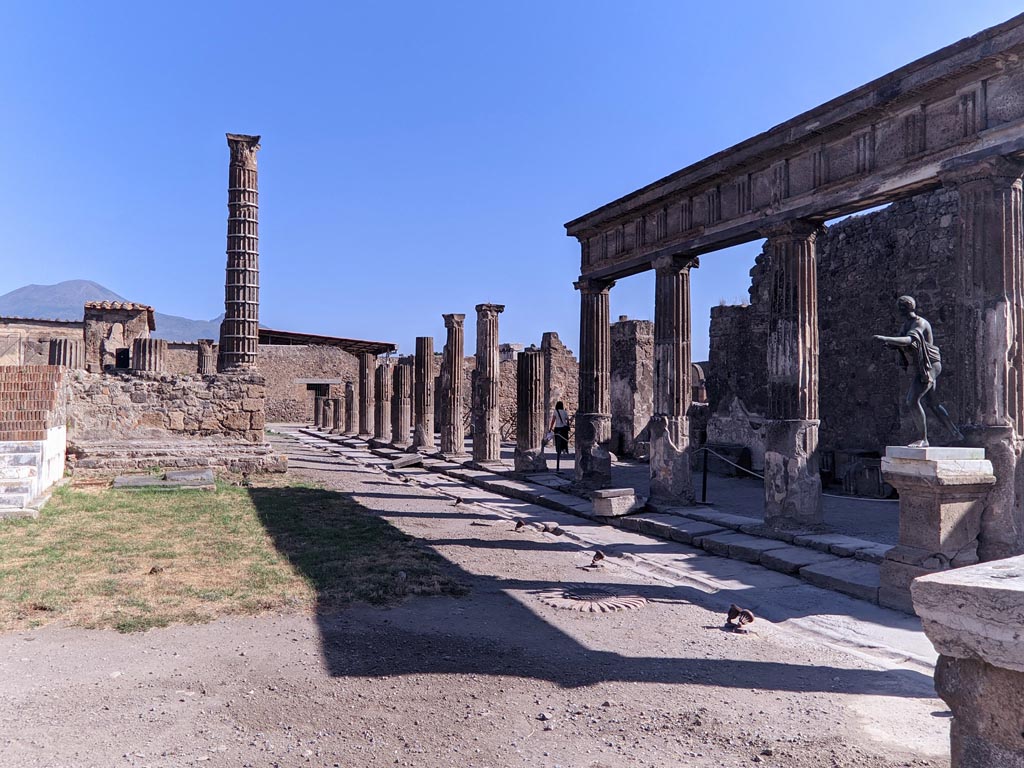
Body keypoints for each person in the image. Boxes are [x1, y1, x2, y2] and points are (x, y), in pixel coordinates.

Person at [872, 295, 964, 448]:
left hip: (930, 365)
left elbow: (910, 341)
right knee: (933, 403)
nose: (899, 310)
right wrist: (890, 344)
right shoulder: (907, 324)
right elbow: (902, 341)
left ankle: (923, 439)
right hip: (924, 366)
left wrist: (885, 338)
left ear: (905, 308)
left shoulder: (919, 323)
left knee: (912, 400)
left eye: (900, 307)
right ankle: (956, 434)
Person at [548, 401, 571, 473]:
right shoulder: (564, 412)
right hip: (564, 428)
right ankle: (564, 449)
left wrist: (550, 428)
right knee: (565, 439)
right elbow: (567, 420)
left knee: (558, 439)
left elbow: (553, 420)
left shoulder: (556, 411)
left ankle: (558, 450)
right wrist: (567, 425)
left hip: (557, 428)